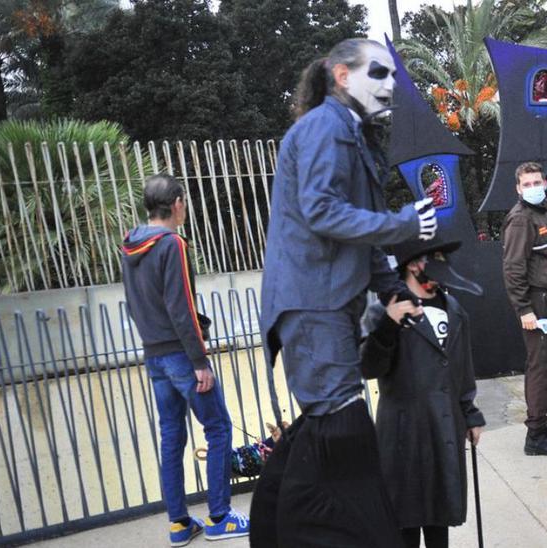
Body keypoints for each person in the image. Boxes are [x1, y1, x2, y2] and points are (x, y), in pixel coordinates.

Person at [254, 38, 435, 547]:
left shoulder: (351, 134)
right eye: (377, 72)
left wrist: (396, 291)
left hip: (326, 304)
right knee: (344, 432)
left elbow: (362, 240)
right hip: (314, 305)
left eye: (394, 75)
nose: (389, 84)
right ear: (340, 75)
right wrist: (401, 223)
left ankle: (276, 532)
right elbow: (321, 210)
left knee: (329, 433)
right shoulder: (324, 128)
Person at [120, 174, 250, 545]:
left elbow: (136, 305)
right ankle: (220, 517)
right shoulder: (172, 244)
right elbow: (182, 307)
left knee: (171, 436)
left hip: (155, 356)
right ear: (177, 203)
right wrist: (199, 360)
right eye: (184, 202)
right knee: (219, 428)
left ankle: (179, 524)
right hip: (182, 356)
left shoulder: (130, 245)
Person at [359, 234, 486, 548]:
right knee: (405, 518)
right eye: (436, 257)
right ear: (415, 264)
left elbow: (462, 366)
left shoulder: (454, 309)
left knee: (438, 516)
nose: (444, 265)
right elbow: (368, 368)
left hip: (443, 426)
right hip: (403, 432)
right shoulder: (382, 310)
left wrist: (469, 412)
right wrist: (388, 325)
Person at [502, 161, 547, 457]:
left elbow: (544, 259)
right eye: (527, 184)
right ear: (518, 189)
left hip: (546, 298)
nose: (533, 187)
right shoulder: (521, 219)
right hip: (535, 302)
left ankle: (541, 426)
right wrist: (524, 309)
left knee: (546, 366)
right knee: (540, 367)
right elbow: (513, 267)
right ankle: (535, 435)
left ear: (545, 183)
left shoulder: (540, 213)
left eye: (537, 182)